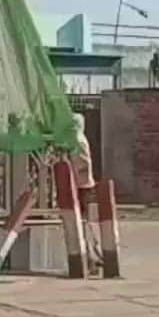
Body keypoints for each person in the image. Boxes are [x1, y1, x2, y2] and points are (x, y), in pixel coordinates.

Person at [70, 112, 103, 273]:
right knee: (85, 224)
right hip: (83, 186)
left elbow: (82, 165)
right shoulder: (79, 139)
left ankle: (94, 258)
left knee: (85, 224)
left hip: (82, 188)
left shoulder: (77, 140)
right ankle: (93, 258)